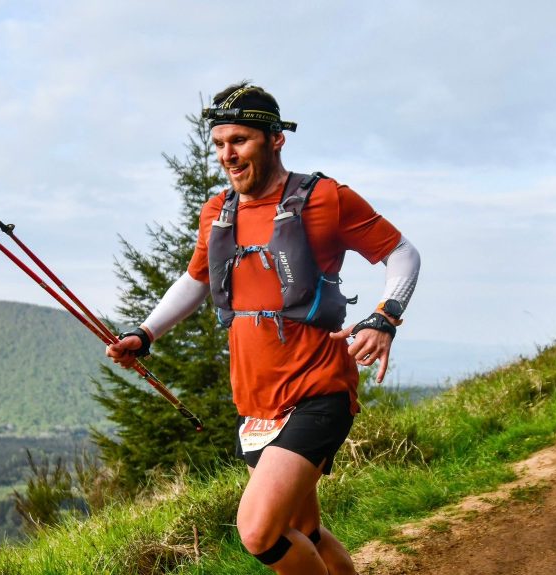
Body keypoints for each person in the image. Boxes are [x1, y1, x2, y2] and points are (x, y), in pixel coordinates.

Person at [107, 82, 420, 574]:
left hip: (319, 389)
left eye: (240, 141)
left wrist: (385, 316)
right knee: (305, 529)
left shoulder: (327, 197)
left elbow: (402, 253)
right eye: (219, 144)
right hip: (255, 400)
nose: (227, 155)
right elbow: (196, 280)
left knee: (259, 531)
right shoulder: (218, 211)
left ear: (275, 139)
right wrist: (144, 335)